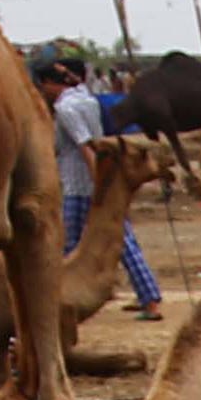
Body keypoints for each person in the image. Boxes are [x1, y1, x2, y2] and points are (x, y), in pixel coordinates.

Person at [39, 57, 161, 320]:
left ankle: (67, 299)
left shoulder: (67, 109)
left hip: (80, 184)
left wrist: (100, 185)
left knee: (70, 244)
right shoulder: (88, 101)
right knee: (123, 238)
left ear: (50, 84)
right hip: (95, 180)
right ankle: (148, 296)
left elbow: (87, 146)